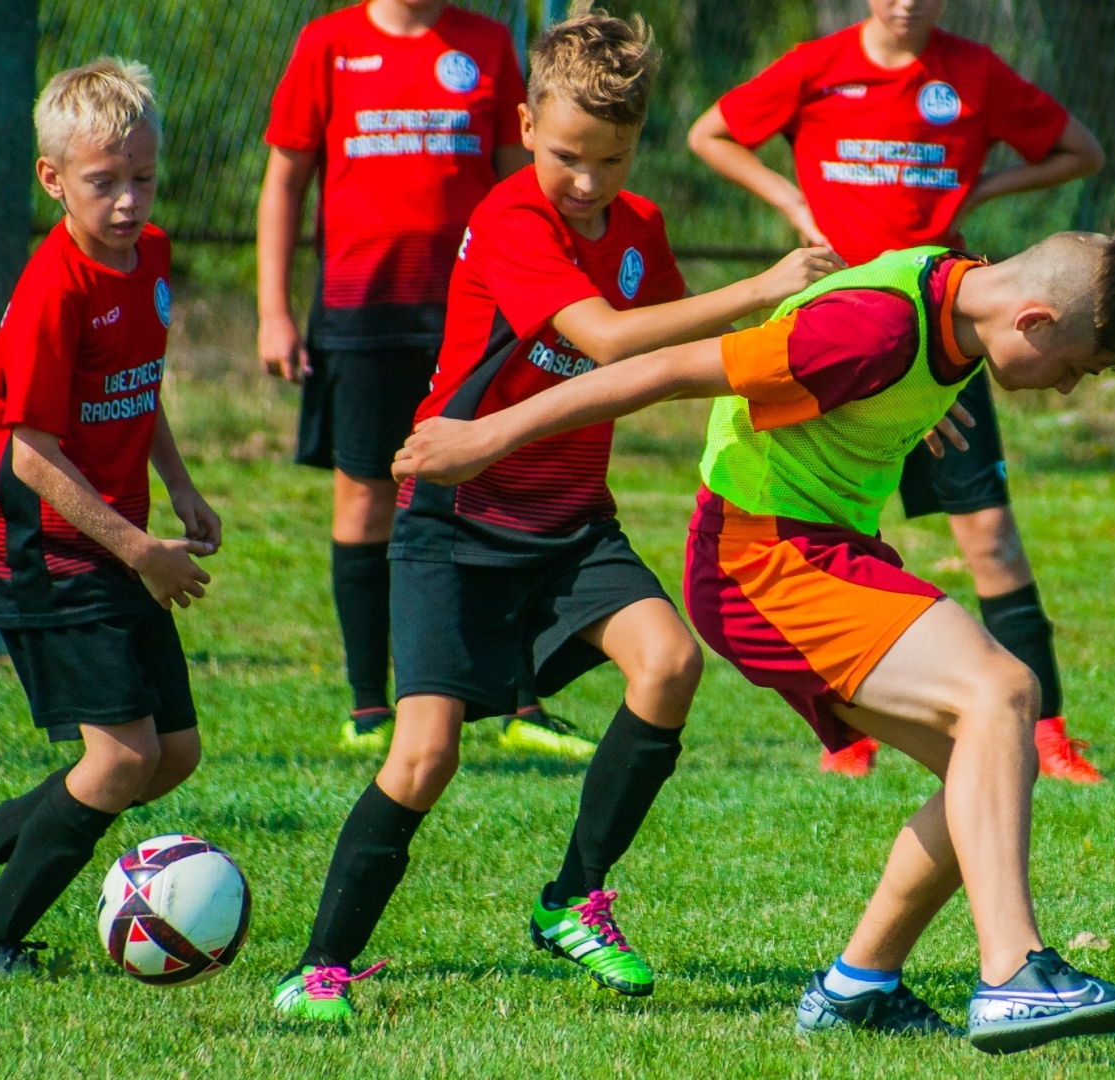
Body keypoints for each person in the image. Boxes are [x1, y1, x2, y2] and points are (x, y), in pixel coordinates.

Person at [394, 227, 1115, 1053]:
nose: (1065, 392)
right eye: (1076, 369)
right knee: (1005, 692)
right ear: (1036, 321)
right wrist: (488, 435)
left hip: (817, 549)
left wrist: (904, 411)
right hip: (759, 557)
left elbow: (886, 327)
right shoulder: (871, 331)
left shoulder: (956, 294)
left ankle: (856, 988)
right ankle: (1015, 974)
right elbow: (664, 370)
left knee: (983, 763)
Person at [270, 7, 842, 1023]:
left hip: (573, 523)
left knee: (669, 663)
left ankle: (575, 897)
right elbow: (614, 342)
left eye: (612, 161)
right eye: (569, 154)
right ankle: (318, 968)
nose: (587, 182)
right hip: (455, 520)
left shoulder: (641, 230)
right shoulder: (507, 219)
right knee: (423, 755)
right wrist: (761, 288)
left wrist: (835, 381)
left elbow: (678, 365)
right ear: (527, 123)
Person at [688, 0, 1107, 782]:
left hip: (949, 338)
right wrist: (792, 204)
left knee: (990, 538)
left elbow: (1081, 151)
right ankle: (843, 728)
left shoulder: (971, 73)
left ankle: (1047, 730)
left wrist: (980, 192)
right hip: (846, 338)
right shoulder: (816, 67)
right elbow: (707, 132)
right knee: (817, 517)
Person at [258, 0, 567, 755]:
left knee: (501, 489)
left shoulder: (489, 43)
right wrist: (273, 309)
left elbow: (518, 184)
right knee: (366, 498)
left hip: (472, 315)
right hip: (361, 311)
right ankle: (369, 704)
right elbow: (285, 181)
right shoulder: (327, 43)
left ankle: (519, 705)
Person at [0, 60, 220, 976]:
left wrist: (181, 486)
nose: (127, 202)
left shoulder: (151, 257)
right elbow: (28, 454)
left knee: (172, 755)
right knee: (121, 761)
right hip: (50, 553)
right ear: (53, 180)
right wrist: (142, 552)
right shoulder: (54, 291)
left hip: (123, 541)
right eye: (104, 182)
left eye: (143, 178)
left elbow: (139, 384)